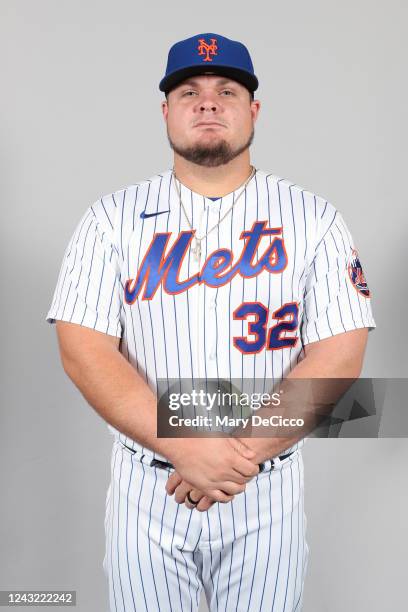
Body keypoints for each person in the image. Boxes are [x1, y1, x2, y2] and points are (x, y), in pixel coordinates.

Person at [45, 32, 376, 612]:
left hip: (263, 483)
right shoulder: (110, 219)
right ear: (166, 111)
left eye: (227, 90)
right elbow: (84, 349)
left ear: (253, 110)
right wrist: (182, 446)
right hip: (148, 484)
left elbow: (339, 356)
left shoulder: (314, 218)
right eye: (188, 91)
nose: (207, 102)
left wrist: (232, 453)